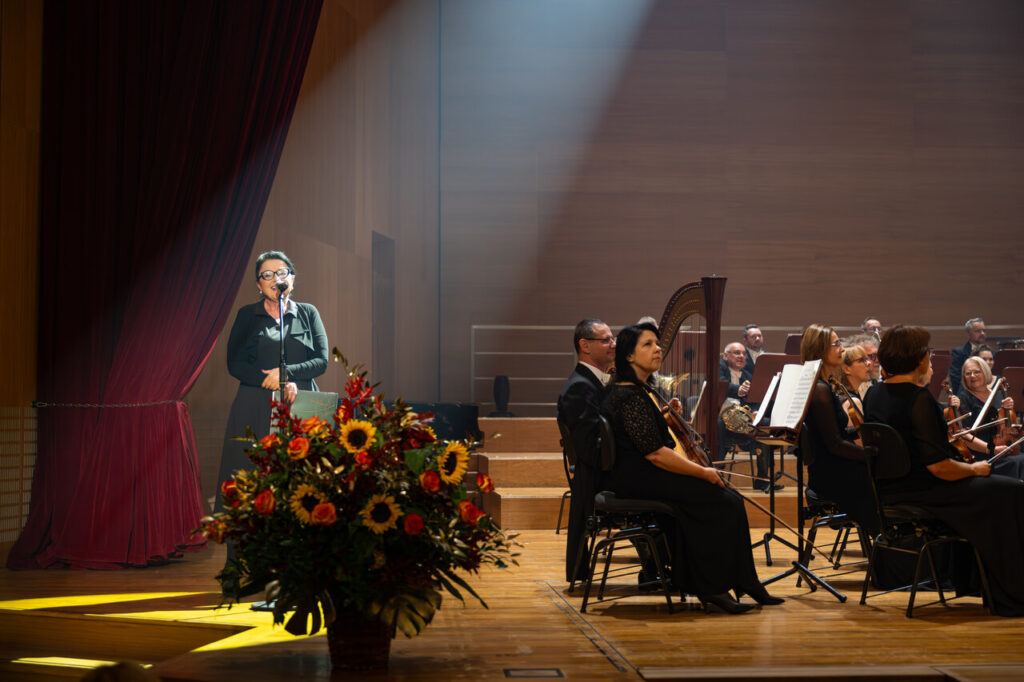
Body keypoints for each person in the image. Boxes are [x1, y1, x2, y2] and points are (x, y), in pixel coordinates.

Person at [601, 323, 782, 613]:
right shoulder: (629, 396)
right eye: (647, 345)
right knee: (722, 501)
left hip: (642, 474)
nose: (657, 349)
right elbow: (656, 454)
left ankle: (745, 580)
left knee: (731, 500)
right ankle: (713, 588)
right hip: (638, 478)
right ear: (629, 357)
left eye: (657, 343)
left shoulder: (636, 390)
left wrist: (661, 416)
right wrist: (703, 472)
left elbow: (641, 436)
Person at [863, 325, 1024, 616]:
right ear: (915, 358)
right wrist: (974, 469)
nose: (931, 356)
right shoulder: (918, 399)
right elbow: (939, 467)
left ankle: (981, 584)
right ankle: (1010, 594)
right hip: (927, 491)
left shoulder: (874, 395)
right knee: (1011, 491)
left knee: (1002, 488)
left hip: (892, 490)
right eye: (926, 351)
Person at [217, 251, 329, 510]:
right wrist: (268, 380)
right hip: (255, 403)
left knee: (302, 483)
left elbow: (321, 361)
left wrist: (286, 374)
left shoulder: (308, 313)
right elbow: (235, 363)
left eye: (281, 272)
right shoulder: (247, 315)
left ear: (292, 278)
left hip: (300, 403)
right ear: (258, 284)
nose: (275, 278)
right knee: (251, 482)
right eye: (267, 275)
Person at [799, 324, 878, 535]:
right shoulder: (819, 390)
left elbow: (837, 437)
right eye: (836, 344)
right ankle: (888, 542)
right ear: (820, 350)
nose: (842, 348)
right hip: (833, 474)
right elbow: (834, 444)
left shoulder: (822, 385)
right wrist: (870, 455)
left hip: (833, 467)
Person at [557, 318, 616, 582]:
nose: (613, 345)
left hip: (601, 471)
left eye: (612, 339)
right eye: (606, 340)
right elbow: (591, 449)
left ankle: (657, 566)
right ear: (585, 346)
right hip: (597, 478)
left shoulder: (595, 381)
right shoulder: (580, 387)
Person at [718, 342, 779, 492]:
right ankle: (717, 472)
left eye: (744, 354)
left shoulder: (747, 375)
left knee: (766, 424)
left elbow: (756, 400)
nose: (741, 356)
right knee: (719, 425)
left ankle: (762, 479)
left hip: (741, 420)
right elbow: (719, 384)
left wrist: (757, 411)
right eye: (736, 353)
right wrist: (738, 389)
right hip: (720, 417)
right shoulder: (719, 367)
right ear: (725, 356)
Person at [953, 356, 1022, 471]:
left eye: (977, 372)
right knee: (1016, 462)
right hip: (981, 452)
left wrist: (1010, 410)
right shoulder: (963, 399)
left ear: (985, 372)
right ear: (964, 378)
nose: (972, 376)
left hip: (1003, 447)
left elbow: (1010, 427)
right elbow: (963, 435)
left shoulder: (998, 394)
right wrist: (991, 449)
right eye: (968, 373)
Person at [949, 317, 986, 394]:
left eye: (983, 330)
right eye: (978, 331)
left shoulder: (992, 353)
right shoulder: (958, 353)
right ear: (968, 335)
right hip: (966, 394)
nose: (982, 333)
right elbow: (955, 378)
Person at [838, 344, 871, 428]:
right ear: (846, 369)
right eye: (861, 360)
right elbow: (857, 440)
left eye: (866, 359)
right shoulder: (851, 402)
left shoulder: (849, 395)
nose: (869, 363)